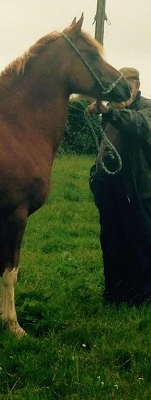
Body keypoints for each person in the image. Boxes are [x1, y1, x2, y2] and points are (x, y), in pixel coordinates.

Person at [88, 67, 151, 305]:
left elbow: (140, 126)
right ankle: (114, 293)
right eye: (120, 85)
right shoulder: (114, 109)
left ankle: (142, 296)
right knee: (112, 242)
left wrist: (111, 113)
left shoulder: (146, 107)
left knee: (139, 243)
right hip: (108, 187)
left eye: (128, 84)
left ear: (136, 85)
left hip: (136, 188)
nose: (124, 89)